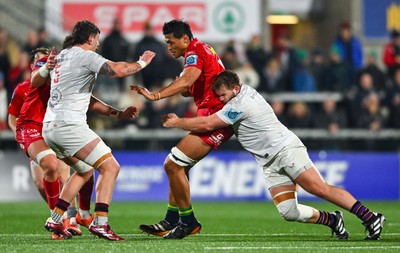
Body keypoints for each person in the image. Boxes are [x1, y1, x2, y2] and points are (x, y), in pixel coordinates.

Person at [162, 70, 386, 241]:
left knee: (317, 188)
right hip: (269, 161)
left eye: (223, 95)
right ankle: (333, 219)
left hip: (285, 150)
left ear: (235, 89)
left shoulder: (242, 102)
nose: (221, 100)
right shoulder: (236, 96)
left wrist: (178, 122)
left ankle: (370, 217)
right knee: (289, 211)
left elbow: (209, 123)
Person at [40, 20, 155, 241]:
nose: (98, 45)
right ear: (91, 38)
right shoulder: (85, 56)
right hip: (69, 125)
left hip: (51, 128)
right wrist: (142, 62)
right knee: (111, 167)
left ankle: (55, 218)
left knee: (84, 171)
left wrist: (117, 113)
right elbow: (117, 70)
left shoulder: (63, 56)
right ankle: (101, 222)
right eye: (97, 40)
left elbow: (88, 100)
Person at [131, 19, 234, 239]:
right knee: (179, 167)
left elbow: (187, 80)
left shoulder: (194, 52)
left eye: (171, 42)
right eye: (166, 42)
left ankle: (188, 221)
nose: (169, 47)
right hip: (213, 116)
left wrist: (155, 95)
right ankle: (171, 219)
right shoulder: (201, 49)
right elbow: (195, 83)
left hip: (216, 119)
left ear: (185, 39)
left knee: (172, 164)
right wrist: (190, 89)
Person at [9, 47, 93, 239]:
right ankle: (57, 217)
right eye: (41, 61)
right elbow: (12, 117)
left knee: (66, 173)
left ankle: (68, 220)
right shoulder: (25, 85)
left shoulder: (63, 80)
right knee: (43, 180)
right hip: (32, 131)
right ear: (34, 65)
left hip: (53, 131)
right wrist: (18, 136)